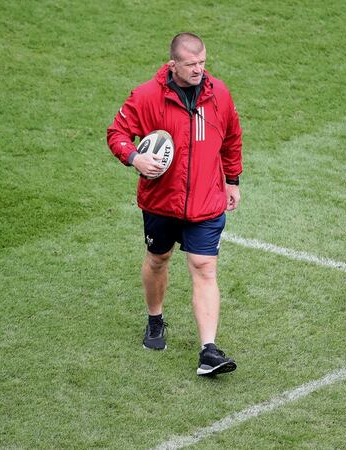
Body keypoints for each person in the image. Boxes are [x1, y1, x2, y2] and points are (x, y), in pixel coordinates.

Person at [107, 32, 243, 376]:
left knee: (204, 267)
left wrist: (232, 179)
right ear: (173, 65)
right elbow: (117, 134)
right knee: (158, 260)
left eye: (203, 62)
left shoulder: (219, 93)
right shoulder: (146, 96)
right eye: (191, 64)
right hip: (161, 203)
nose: (199, 69)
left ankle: (209, 350)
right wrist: (134, 158)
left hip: (206, 201)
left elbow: (232, 137)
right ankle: (155, 319)